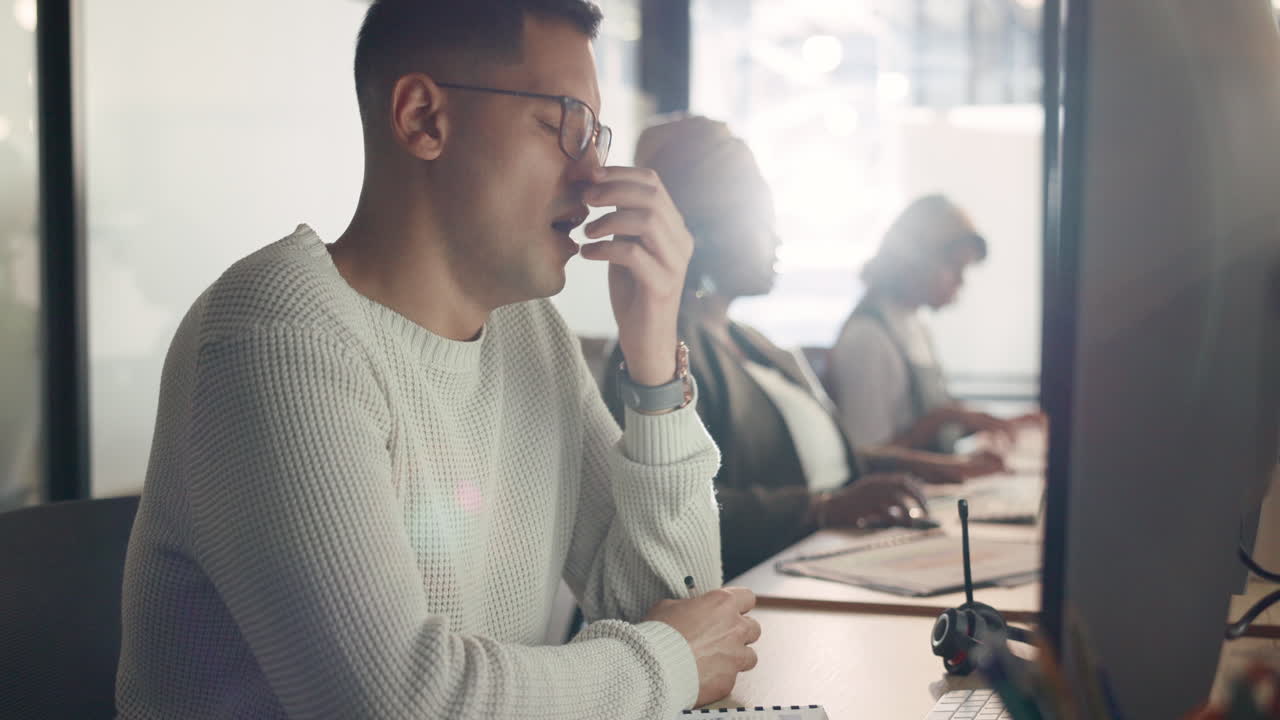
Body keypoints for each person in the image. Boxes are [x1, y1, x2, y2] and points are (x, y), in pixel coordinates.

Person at [115, 3, 760, 718]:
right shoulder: (274, 333)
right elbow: (397, 704)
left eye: (596, 135)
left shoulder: (527, 334)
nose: (594, 174)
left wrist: (655, 369)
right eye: (566, 124)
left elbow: (674, 609)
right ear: (423, 117)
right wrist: (667, 661)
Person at [605, 116, 947, 579]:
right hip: (766, 580)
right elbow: (673, 504)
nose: (779, 238)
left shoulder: (753, 343)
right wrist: (822, 508)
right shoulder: (656, 355)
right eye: (765, 222)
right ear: (708, 230)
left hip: (834, 555)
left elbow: (822, 461)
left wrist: (944, 470)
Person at [828, 195, 1038, 458]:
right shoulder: (867, 338)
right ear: (914, 259)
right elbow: (866, 457)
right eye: (953, 266)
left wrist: (997, 421)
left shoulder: (914, 324)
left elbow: (939, 421)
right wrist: (940, 420)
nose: (961, 282)